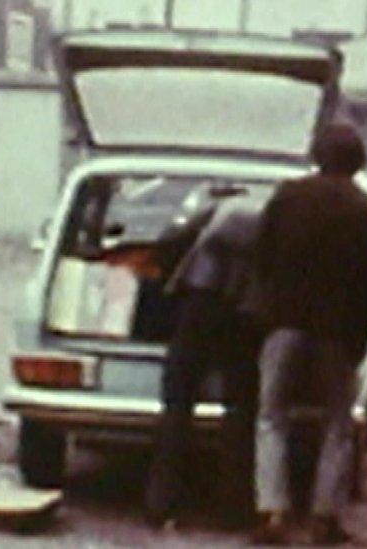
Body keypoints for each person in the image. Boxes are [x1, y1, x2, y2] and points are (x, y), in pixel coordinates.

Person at [252, 122, 367, 545]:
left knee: (272, 417)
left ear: (316, 154)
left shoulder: (287, 198)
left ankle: (273, 511)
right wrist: (361, 325)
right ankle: (324, 518)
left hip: (285, 325)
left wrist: (268, 311)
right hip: (337, 333)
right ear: (358, 162)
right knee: (337, 425)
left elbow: (260, 258)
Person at [143, 193, 266, 531]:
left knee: (177, 407)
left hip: (197, 306)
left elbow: (168, 247)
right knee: (240, 411)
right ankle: (235, 509)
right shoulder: (270, 220)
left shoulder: (211, 216)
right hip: (244, 314)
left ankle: (161, 504)